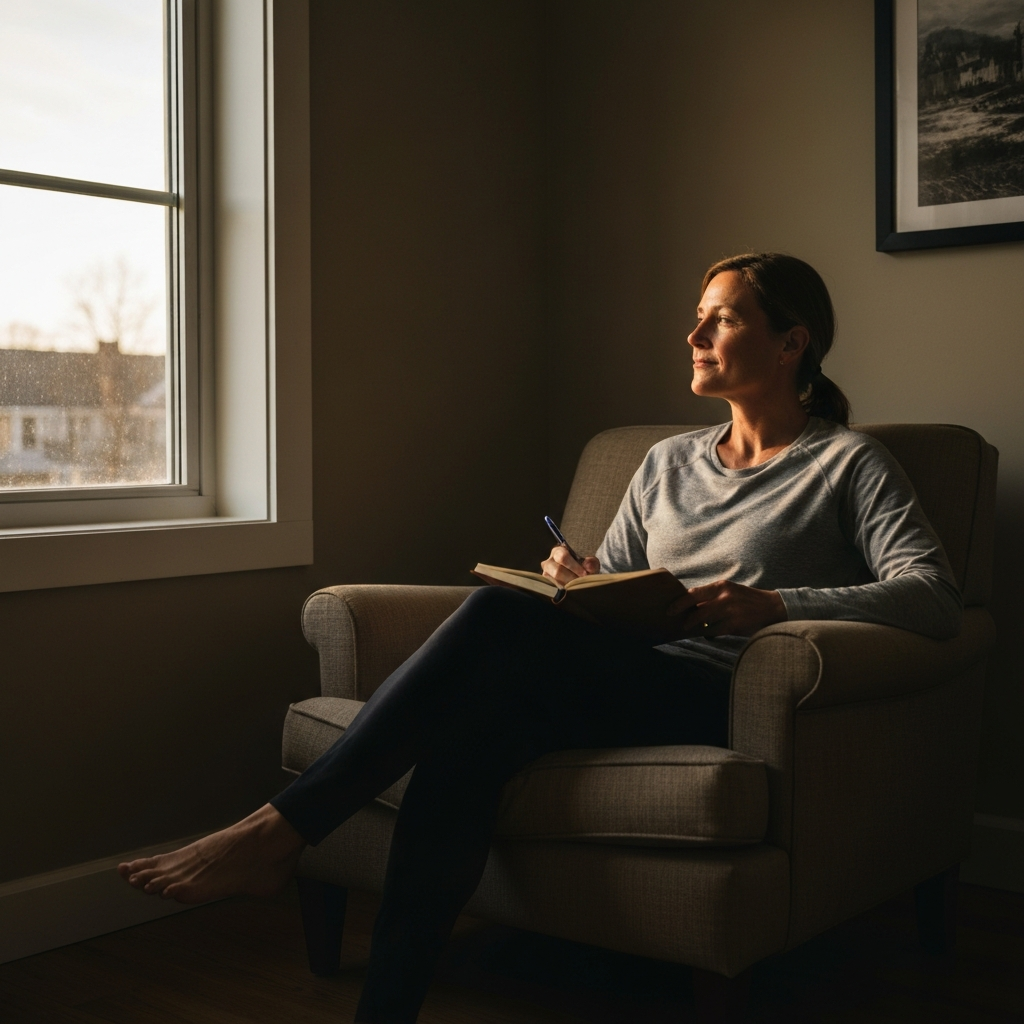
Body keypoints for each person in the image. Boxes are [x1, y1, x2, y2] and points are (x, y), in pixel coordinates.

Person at [119, 252, 961, 1023]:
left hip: (718, 694)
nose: (695, 334)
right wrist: (577, 578)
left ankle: (278, 832)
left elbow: (932, 596)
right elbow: (625, 584)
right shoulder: (668, 461)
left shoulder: (847, 465)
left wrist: (775, 605)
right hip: (621, 673)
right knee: (468, 734)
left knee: (490, 619)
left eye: (724, 318)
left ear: (792, 344)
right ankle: (387, 1009)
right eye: (699, 316)